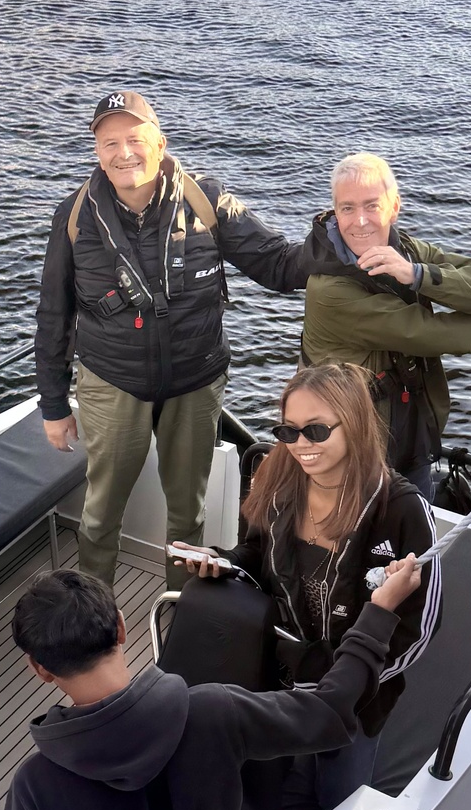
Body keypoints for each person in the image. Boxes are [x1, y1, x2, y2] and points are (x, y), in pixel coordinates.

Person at [0, 556, 421, 810]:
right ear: (122, 628)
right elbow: (329, 712)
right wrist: (379, 611)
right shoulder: (215, 711)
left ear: (41, 670)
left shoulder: (35, 786)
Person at [35, 91, 308, 589]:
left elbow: (280, 264)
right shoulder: (73, 217)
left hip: (194, 381)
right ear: (97, 151)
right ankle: (96, 614)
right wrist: (54, 405)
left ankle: (183, 612)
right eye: (109, 142)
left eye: (135, 139)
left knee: (188, 514)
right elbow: (54, 314)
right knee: (100, 514)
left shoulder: (207, 200)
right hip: (112, 382)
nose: (124, 153)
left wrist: (346, 238)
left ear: (159, 143)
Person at [179, 363, 438, 810]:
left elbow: (419, 629)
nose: (301, 446)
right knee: (268, 786)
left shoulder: (401, 511)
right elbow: (256, 553)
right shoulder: (278, 485)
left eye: (316, 431)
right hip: (276, 681)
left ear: (354, 423)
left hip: (356, 702)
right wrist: (224, 564)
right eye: (288, 431)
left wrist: (345, 682)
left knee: (336, 801)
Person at [300, 153, 471, 497]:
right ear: (335, 212)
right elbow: (438, 334)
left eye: (372, 205)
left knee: (417, 538)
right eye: (347, 208)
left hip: (407, 438)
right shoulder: (330, 291)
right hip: (355, 455)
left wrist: (416, 275)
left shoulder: (404, 250)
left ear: (394, 207)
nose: (360, 220)